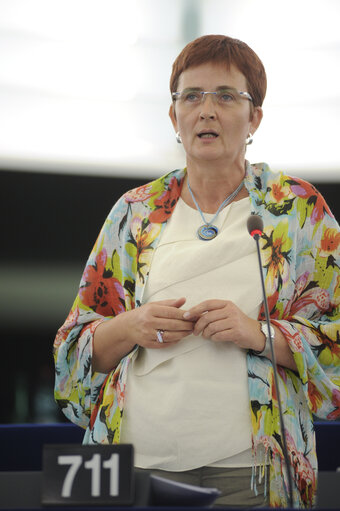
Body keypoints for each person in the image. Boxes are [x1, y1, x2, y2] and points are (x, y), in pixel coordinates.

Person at [54, 34, 340, 508]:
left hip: (254, 471)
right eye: (191, 96)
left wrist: (259, 333)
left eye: (226, 96)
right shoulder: (133, 213)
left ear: (255, 118)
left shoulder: (298, 211)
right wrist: (130, 325)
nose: (206, 110)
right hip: (131, 464)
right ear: (174, 117)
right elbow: (72, 353)